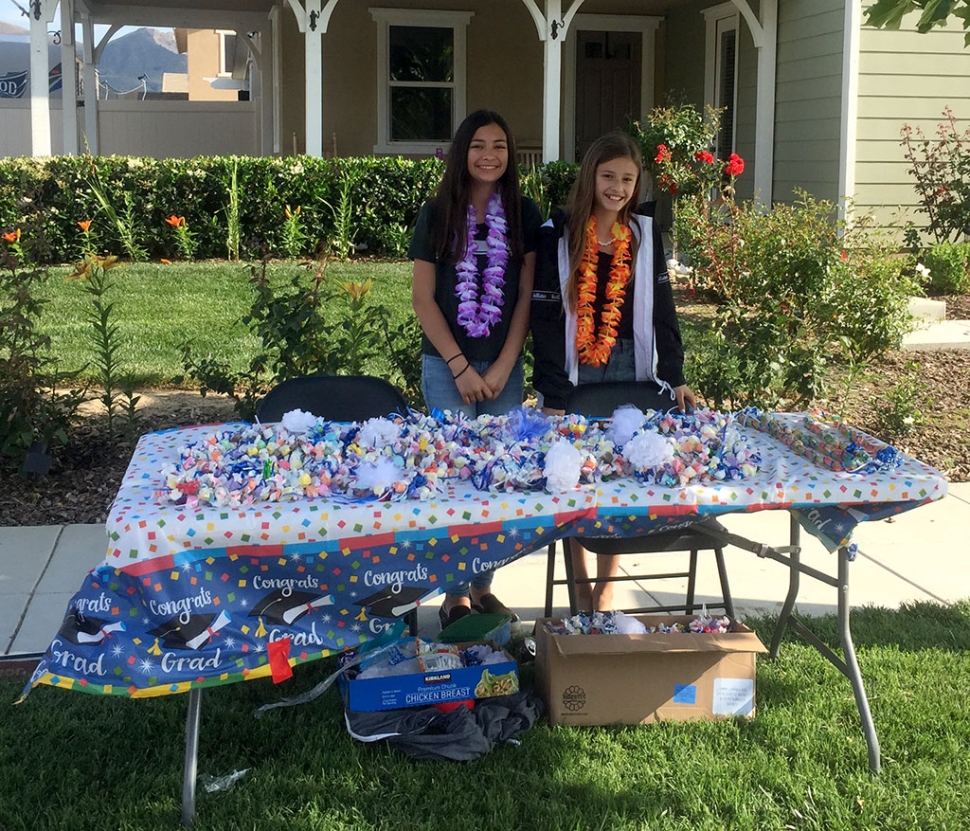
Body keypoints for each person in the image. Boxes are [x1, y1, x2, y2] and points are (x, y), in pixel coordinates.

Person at [530, 132, 697, 613]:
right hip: (573, 366)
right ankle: (579, 582)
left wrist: (676, 373)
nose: (618, 187)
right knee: (575, 472)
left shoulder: (645, 234)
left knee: (619, 475)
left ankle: (607, 585)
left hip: (632, 362)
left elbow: (663, 309)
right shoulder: (559, 237)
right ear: (591, 177)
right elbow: (544, 319)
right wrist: (552, 389)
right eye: (608, 176)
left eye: (627, 178)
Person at [409, 109, 542, 628]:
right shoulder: (437, 212)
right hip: (447, 366)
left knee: (495, 480)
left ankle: (484, 589)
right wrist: (461, 366)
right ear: (463, 151)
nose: (490, 155)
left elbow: (529, 293)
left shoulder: (523, 211)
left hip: (504, 365)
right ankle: (453, 596)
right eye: (479, 145)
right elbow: (423, 299)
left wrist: (506, 364)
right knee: (452, 479)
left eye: (501, 146)